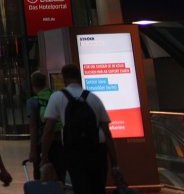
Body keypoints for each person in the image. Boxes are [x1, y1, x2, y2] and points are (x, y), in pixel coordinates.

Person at [40, 64, 127, 194]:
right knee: (97, 188)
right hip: (97, 152)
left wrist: (45, 156)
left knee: (79, 187)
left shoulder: (57, 97)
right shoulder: (94, 98)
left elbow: (48, 130)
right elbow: (107, 133)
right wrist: (115, 163)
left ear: (64, 78)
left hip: (73, 152)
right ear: (79, 77)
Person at [26, 71, 63, 181]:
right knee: (59, 175)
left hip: (41, 144)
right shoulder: (56, 97)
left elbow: (33, 127)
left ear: (32, 85)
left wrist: (33, 151)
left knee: (41, 177)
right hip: (58, 142)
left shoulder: (32, 102)